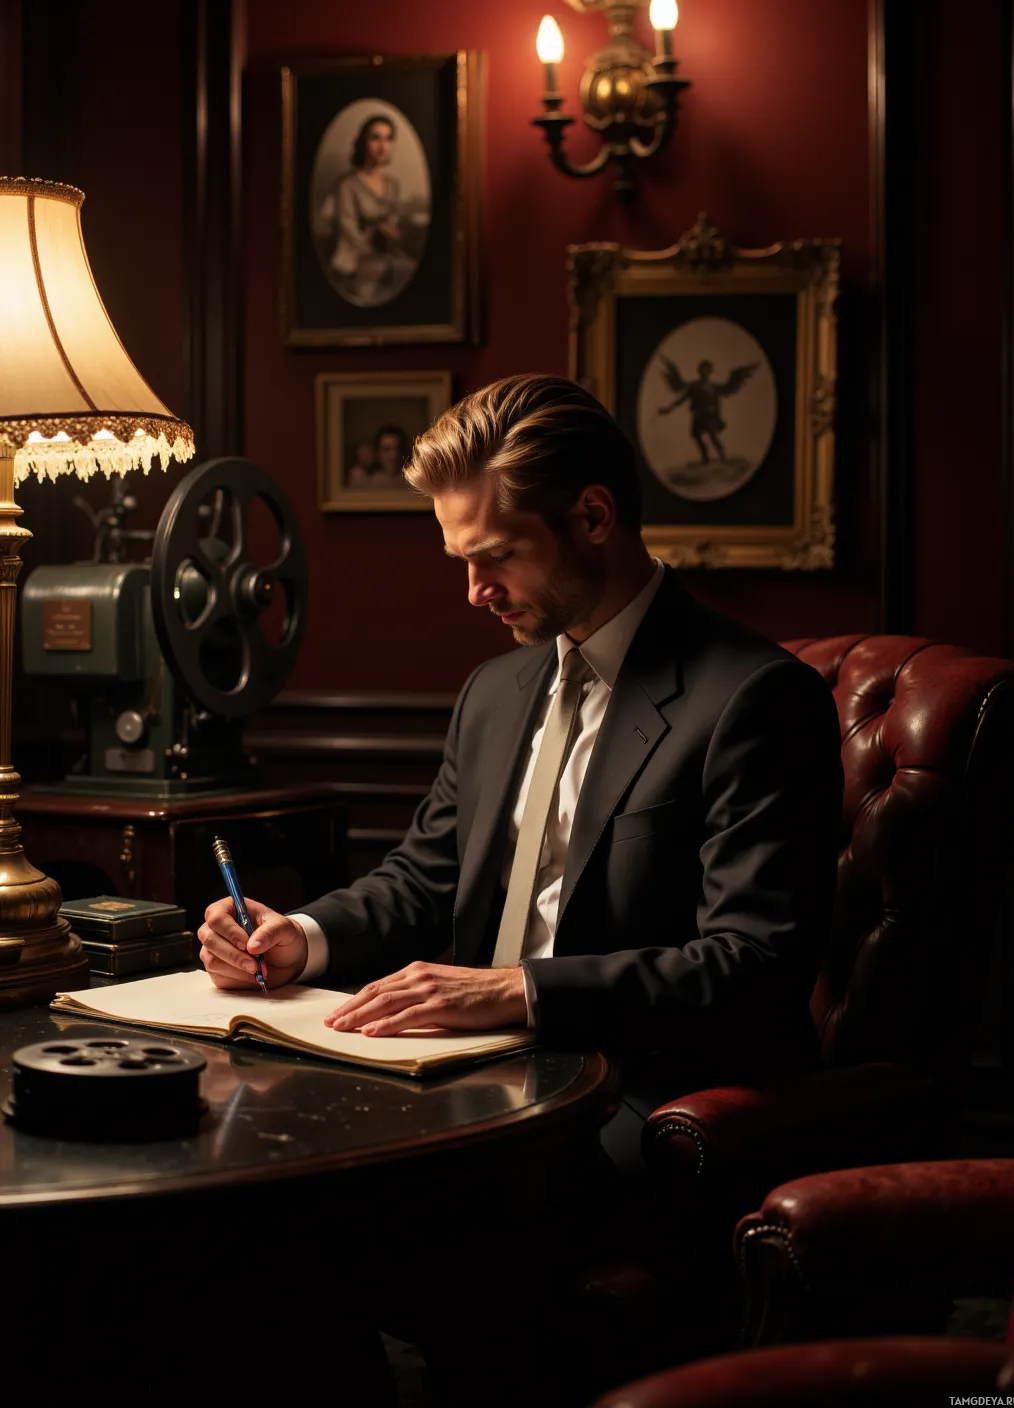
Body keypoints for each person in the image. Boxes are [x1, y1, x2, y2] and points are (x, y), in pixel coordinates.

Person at [198, 373, 843, 1403]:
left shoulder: (755, 698)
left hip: (637, 1095)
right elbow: (423, 877)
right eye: (459, 559)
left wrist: (518, 991)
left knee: (339, 1221)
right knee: (249, 1191)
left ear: (593, 516)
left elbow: (753, 962)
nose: (473, 591)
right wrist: (298, 937)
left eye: (494, 556)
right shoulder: (495, 691)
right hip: (468, 1077)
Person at [316, 112, 416, 307]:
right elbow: (348, 230)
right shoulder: (347, 185)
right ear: (363, 142)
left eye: (388, 138)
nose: (382, 146)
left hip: (387, 256)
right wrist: (375, 247)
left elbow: (392, 225)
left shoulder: (392, 185)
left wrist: (393, 236)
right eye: (375, 138)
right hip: (355, 259)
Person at [349, 424, 412, 489]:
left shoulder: (411, 479)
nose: (393, 455)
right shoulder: (364, 477)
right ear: (377, 452)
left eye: (398, 448)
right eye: (386, 449)